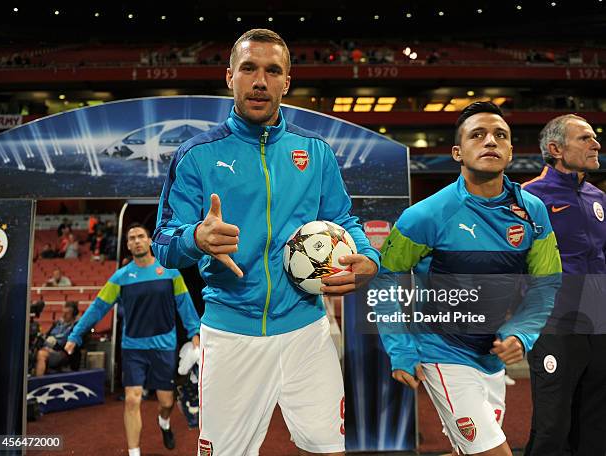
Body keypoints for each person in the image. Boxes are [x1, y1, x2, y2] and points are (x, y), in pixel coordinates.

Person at [152, 28, 379, 456]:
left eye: (273, 71)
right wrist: (196, 237)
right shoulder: (196, 154)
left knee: (329, 448)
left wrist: (366, 256)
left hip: (307, 330)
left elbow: (344, 219)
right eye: (249, 69)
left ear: (286, 82)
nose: (260, 81)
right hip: (231, 333)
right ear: (230, 77)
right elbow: (163, 239)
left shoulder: (315, 152)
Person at [375, 102, 561, 456]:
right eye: (478, 134)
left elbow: (546, 283)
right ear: (458, 152)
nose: (490, 141)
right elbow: (386, 279)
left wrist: (522, 333)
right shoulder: (425, 215)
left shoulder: (532, 212)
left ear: (509, 151)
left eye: (500, 135)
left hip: (491, 358)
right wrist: (400, 349)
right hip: (441, 351)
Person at [64, 223, 200, 456]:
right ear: (128, 245)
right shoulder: (121, 277)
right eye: (132, 238)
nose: (136, 241)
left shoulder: (169, 272)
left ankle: (164, 423)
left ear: (149, 241)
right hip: (133, 348)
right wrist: (75, 335)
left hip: (163, 346)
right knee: (132, 400)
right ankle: (134, 452)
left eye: (140, 236)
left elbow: (184, 304)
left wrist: (194, 333)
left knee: (166, 402)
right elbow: (98, 308)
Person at [522, 114, 606, 456]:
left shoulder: (598, 197)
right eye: (585, 138)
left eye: (594, 137)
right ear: (556, 148)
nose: (596, 144)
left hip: (598, 324)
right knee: (553, 424)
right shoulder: (528, 198)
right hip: (553, 323)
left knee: (597, 421)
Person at [35, 301, 78, 376]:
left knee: (41, 354)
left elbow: (68, 343)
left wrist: (53, 347)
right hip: (47, 348)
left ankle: (39, 382)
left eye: (67, 313)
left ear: (73, 314)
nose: (64, 315)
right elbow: (47, 335)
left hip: (62, 352)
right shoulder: (58, 323)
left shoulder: (75, 326)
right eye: (63, 312)